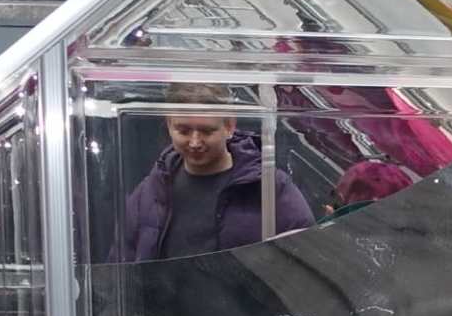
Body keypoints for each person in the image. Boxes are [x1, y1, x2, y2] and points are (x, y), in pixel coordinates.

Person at [115, 91, 310, 262]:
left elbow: (309, 256)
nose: (194, 142)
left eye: (207, 131)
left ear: (229, 126)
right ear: (168, 125)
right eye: (183, 131)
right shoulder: (151, 191)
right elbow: (120, 264)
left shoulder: (270, 187)